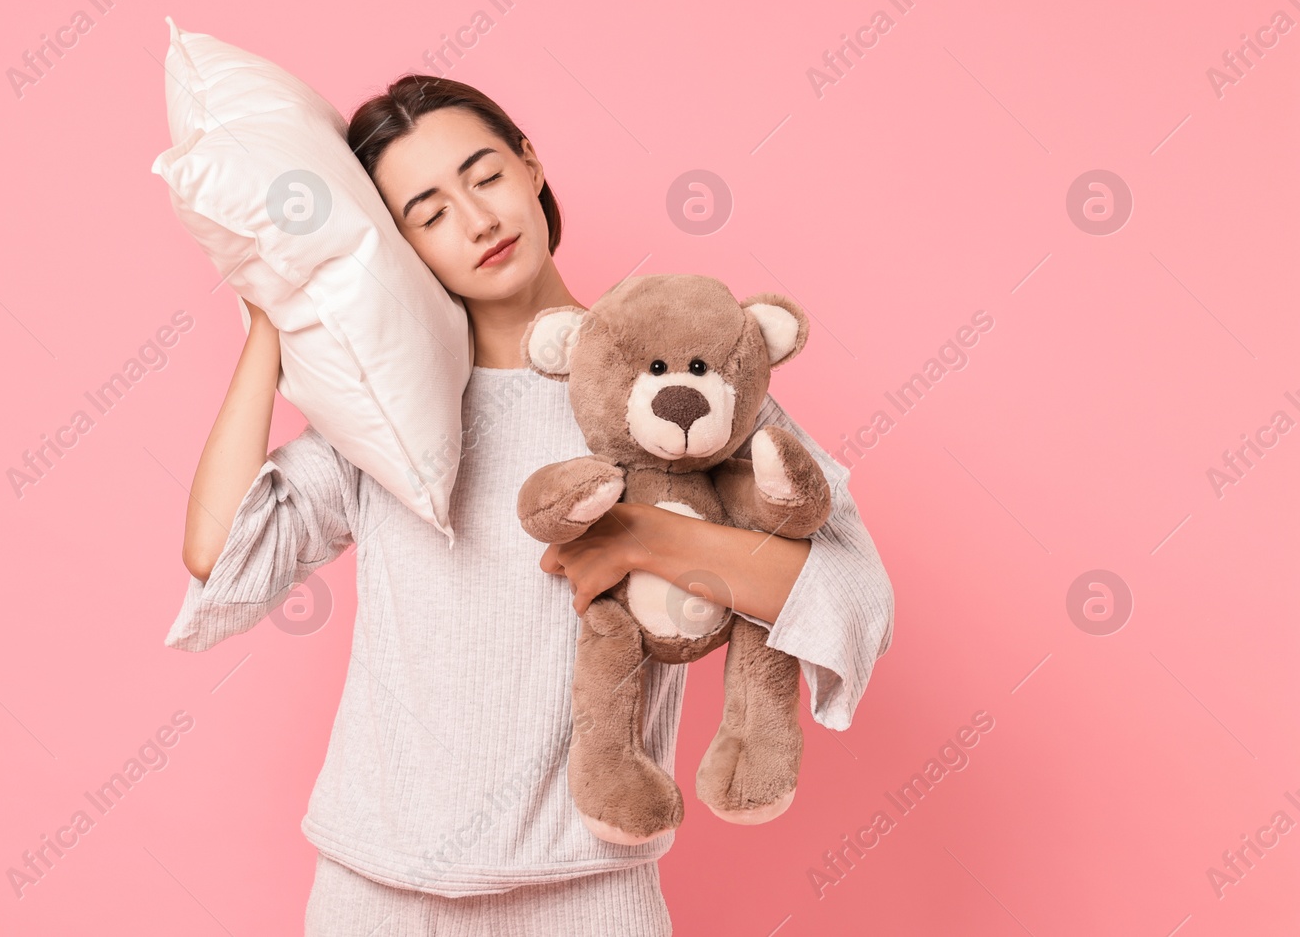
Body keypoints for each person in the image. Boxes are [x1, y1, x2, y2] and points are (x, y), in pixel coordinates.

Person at [169, 76, 895, 936]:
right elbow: (221, 550)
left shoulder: (674, 380)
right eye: (428, 213)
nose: (477, 221)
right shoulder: (396, 411)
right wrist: (271, 316)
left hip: (585, 895)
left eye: (483, 176)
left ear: (529, 162)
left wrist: (643, 534)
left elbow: (851, 593)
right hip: (374, 892)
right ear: (399, 247)